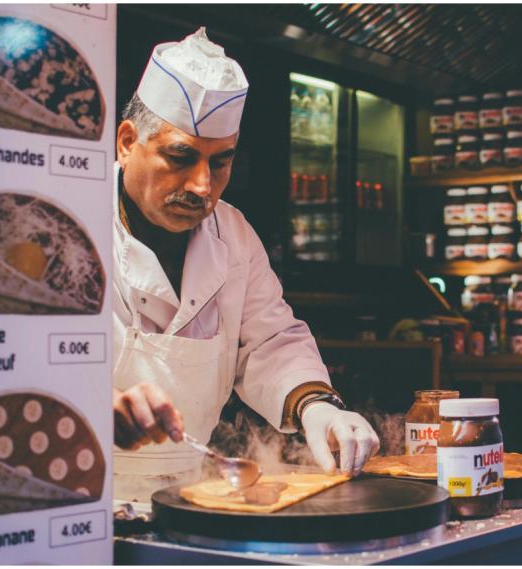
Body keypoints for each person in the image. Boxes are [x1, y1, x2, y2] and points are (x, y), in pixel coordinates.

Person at [112, 28, 379, 501]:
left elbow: (269, 341)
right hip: (72, 492)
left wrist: (319, 406)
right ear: (128, 142)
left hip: (184, 497)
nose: (201, 185)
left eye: (220, 163)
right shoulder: (67, 224)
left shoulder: (233, 235)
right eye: (181, 157)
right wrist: (85, 406)